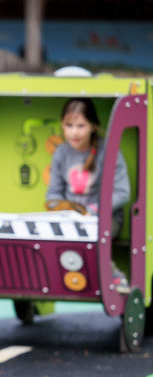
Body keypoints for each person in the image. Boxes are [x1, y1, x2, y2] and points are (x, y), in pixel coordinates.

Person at [46, 97, 131, 292]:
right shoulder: (61, 153)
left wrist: (93, 210)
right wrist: (60, 208)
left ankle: (115, 276)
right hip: (72, 218)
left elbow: (122, 192)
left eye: (81, 125)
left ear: (93, 126)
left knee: (91, 235)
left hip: (107, 218)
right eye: (69, 125)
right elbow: (53, 193)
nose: (74, 132)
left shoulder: (107, 151)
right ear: (62, 125)